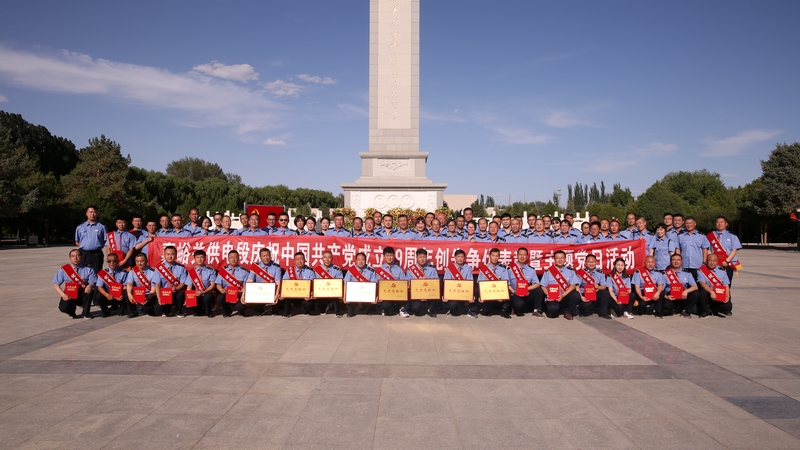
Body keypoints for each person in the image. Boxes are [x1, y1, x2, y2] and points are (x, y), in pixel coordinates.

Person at [53, 249, 97, 319]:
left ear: (81, 257)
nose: (75, 258)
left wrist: (90, 286)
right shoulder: (64, 269)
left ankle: (86, 313)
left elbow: (93, 282)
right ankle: (71, 311)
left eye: (77, 256)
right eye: (73, 256)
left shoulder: (88, 268)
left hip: (82, 293)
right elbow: (56, 285)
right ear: (70, 258)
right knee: (63, 308)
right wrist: (63, 295)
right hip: (70, 293)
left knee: (90, 291)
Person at [538, 250, 581, 320]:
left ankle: (568, 312)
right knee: (552, 310)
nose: (560, 260)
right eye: (557, 258)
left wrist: (563, 295)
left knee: (576, 294)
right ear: (554, 259)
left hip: (565, 296)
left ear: (565, 259)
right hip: (553, 298)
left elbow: (573, 285)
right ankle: (556, 310)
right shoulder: (548, 271)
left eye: (562, 258)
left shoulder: (570, 271)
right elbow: (543, 286)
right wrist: (548, 294)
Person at [469, 248, 510, 318]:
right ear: (489, 256)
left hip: (498, 292)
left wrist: (502, 296)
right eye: (493, 255)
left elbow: (505, 283)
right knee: (485, 310)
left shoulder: (503, 269)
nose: (495, 258)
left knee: (509, 291)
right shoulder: (484, 269)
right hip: (487, 293)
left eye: (497, 256)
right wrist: (481, 296)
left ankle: (503, 310)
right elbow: (480, 284)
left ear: (499, 257)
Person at [153, 245, 189, 317]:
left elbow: (182, 283)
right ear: (164, 255)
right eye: (168, 254)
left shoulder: (181, 268)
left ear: (176, 255)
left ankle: (178, 311)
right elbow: (157, 284)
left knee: (180, 294)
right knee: (158, 308)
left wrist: (176, 288)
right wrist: (159, 297)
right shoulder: (159, 268)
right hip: (164, 293)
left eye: (172, 254)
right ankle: (166, 310)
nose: (170, 256)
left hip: (175, 291)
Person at [507, 248, 544, 317]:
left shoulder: (531, 269)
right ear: (517, 256)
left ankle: (536, 310)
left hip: (527, 293)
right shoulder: (510, 269)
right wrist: (514, 291)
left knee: (539, 291)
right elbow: (507, 283)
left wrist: (526, 289)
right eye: (520, 254)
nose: (522, 256)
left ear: (527, 256)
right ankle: (513, 308)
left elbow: (537, 284)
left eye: (524, 255)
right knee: (519, 306)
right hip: (515, 294)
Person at [246, 248, 283, 317]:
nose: (266, 258)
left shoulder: (276, 267)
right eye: (264, 256)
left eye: (267, 255)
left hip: (272, 291)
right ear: (260, 257)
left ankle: (274, 310)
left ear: (270, 256)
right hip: (260, 291)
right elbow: (249, 281)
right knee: (251, 295)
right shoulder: (256, 266)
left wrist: (276, 295)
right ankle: (259, 310)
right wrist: (245, 294)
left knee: (279, 296)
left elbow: (278, 282)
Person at [708, 215, 742, 290]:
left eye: (721, 222)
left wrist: (727, 261)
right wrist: (711, 260)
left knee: (727, 284)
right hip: (714, 264)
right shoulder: (710, 236)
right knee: (713, 284)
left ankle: (726, 297)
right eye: (717, 222)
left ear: (726, 224)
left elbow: (734, 250)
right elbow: (707, 249)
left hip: (728, 264)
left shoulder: (732, 237)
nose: (719, 224)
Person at [279, 252, 316, 318]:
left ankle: (306, 310)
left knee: (309, 303)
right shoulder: (289, 271)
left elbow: (313, 285)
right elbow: (284, 283)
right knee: (285, 297)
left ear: (305, 260)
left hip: (304, 296)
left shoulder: (310, 271)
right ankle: (286, 313)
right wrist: (282, 293)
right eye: (297, 259)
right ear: (294, 261)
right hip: (292, 295)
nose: (299, 261)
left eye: (301, 259)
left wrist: (311, 294)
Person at [215, 250, 251, 318]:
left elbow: (247, 285)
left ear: (238, 258)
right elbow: (218, 283)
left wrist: (242, 293)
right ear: (228, 259)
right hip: (226, 293)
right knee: (220, 298)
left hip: (239, 294)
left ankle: (241, 311)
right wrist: (221, 290)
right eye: (231, 257)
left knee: (240, 306)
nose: (233, 259)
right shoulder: (223, 271)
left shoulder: (244, 271)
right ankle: (227, 311)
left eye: (235, 257)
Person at [373, 247, 408, 316]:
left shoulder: (398, 269)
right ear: (384, 257)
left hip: (397, 294)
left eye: (391, 255)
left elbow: (404, 283)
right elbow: (376, 285)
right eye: (387, 255)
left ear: (394, 256)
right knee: (386, 306)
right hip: (385, 295)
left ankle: (400, 309)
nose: (389, 257)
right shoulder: (379, 270)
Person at [94, 252, 131, 317]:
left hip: (120, 295)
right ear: (107, 262)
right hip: (108, 295)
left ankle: (122, 309)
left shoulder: (123, 272)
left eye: (114, 261)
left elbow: (126, 286)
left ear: (117, 261)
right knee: (98, 295)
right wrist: (107, 295)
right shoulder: (103, 273)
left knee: (127, 293)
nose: (112, 263)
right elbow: (99, 287)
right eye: (109, 261)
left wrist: (121, 293)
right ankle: (105, 311)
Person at [663, 253, 700, 318]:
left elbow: (695, 287)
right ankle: (674, 310)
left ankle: (686, 311)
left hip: (683, 297)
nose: (676, 262)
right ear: (670, 262)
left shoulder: (687, 273)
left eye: (678, 260)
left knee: (696, 294)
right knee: (666, 305)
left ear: (681, 262)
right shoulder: (665, 274)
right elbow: (661, 289)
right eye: (674, 260)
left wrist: (686, 291)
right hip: (671, 297)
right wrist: (666, 297)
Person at [343, 252, 378, 317]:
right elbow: (345, 283)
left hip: (366, 293)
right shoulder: (351, 270)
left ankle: (366, 309)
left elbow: (374, 284)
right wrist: (345, 296)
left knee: (367, 311)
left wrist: (375, 296)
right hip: (354, 293)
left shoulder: (371, 270)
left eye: (362, 259)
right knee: (350, 313)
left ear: (366, 260)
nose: (361, 262)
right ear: (356, 261)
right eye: (359, 260)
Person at [405, 248, 439, 317]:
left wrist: (427, 281)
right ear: (416, 258)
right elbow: (407, 285)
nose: (422, 259)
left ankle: (430, 309)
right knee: (416, 309)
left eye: (424, 257)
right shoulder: (411, 270)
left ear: (426, 258)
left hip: (429, 293)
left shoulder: (432, 269)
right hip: (417, 294)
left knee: (435, 295)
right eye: (420, 257)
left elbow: (436, 284)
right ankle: (423, 307)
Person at [575, 254, 610, 319]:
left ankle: (603, 313)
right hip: (585, 294)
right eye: (589, 262)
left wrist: (598, 287)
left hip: (595, 293)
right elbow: (577, 286)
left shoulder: (600, 272)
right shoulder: (581, 272)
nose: (591, 264)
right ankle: (583, 309)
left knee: (605, 293)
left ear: (596, 262)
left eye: (593, 262)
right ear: (585, 263)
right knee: (586, 309)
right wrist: (581, 297)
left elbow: (604, 286)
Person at [697, 254, 732, 318]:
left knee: (728, 306)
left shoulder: (722, 272)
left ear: (717, 262)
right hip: (708, 293)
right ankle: (705, 311)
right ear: (707, 261)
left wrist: (727, 296)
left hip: (719, 293)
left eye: (714, 261)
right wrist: (711, 292)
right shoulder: (701, 270)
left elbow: (726, 285)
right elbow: (702, 283)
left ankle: (713, 308)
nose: (712, 263)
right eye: (710, 261)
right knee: (703, 292)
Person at [74, 205, 107, 274]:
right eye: (90, 212)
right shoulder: (80, 227)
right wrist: (85, 246)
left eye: (94, 212)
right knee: (83, 273)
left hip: (96, 254)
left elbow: (105, 241)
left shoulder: (102, 227)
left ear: (97, 213)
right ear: (86, 213)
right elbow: (77, 241)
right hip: (84, 254)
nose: (92, 214)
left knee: (97, 273)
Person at [186, 249, 218, 317]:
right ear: (194, 259)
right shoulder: (192, 272)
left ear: (205, 258)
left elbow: (212, 285)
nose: (199, 259)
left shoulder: (210, 270)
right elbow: (189, 287)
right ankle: (198, 310)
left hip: (207, 292)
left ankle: (209, 312)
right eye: (197, 257)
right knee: (197, 312)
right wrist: (188, 298)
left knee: (208, 297)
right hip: (196, 293)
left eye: (201, 257)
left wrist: (203, 292)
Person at [311, 251, 343, 317]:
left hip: (333, 291)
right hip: (322, 291)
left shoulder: (337, 269)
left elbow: (340, 283)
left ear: (332, 258)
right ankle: (322, 309)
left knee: (337, 294)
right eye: (325, 257)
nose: (327, 259)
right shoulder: (318, 269)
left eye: (329, 257)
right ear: (322, 258)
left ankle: (338, 312)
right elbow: (315, 283)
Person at [126, 253, 159, 317]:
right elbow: (129, 284)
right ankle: (132, 312)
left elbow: (153, 288)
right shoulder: (132, 271)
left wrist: (147, 299)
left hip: (149, 294)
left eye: (142, 261)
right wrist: (129, 294)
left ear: (146, 261)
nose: (139, 263)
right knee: (126, 292)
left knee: (149, 310)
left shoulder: (153, 271)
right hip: (137, 294)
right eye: (137, 261)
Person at [442, 249, 473, 316]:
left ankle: (466, 308)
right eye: (458, 257)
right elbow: (446, 283)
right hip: (454, 293)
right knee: (453, 306)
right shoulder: (450, 268)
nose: (460, 259)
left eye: (462, 257)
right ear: (455, 257)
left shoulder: (468, 268)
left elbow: (470, 282)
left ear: (464, 258)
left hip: (464, 292)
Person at [677, 216, 709, 280]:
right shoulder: (680, 236)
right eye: (687, 223)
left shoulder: (701, 236)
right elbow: (678, 250)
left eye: (690, 223)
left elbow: (705, 249)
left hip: (698, 265)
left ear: (695, 224)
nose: (689, 225)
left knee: (698, 283)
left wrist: (704, 262)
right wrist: (678, 262)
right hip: (684, 265)